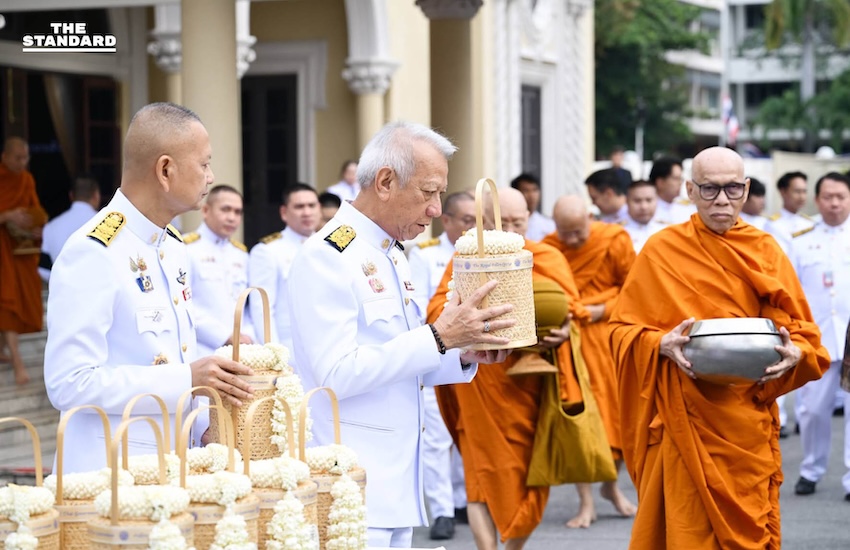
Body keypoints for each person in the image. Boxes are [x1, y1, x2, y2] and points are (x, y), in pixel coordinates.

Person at [288, 121, 512, 548]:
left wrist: (462, 352)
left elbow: (401, 360)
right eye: (428, 192)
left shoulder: (389, 252)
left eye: (440, 194)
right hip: (350, 483)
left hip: (394, 483)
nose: (436, 209)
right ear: (386, 182)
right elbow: (336, 374)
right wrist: (440, 337)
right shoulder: (328, 255)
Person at [608, 146, 829, 549]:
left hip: (745, 419)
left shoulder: (766, 250)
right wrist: (659, 343)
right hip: (683, 416)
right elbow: (620, 330)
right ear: (689, 191)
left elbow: (803, 333)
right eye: (709, 189)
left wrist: (797, 351)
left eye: (732, 188)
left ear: (746, 189)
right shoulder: (662, 249)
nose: (722, 200)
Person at [43, 103, 255, 473]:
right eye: (204, 164)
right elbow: (69, 382)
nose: (211, 177)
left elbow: (173, 353)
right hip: (112, 474)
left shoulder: (172, 244)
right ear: (165, 170)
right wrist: (188, 378)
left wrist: (203, 429)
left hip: (171, 467)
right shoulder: (94, 251)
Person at [428, 187, 587, 550]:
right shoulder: (467, 258)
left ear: (530, 218)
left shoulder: (546, 256)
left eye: (519, 221)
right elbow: (438, 310)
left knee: (534, 474)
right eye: (504, 222)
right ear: (484, 223)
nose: (512, 230)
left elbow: (573, 312)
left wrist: (563, 333)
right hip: (482, 379)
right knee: (480, 477)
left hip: (533, 382)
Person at [543, 196, 637, 528]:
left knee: (619, 418)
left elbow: (634, 289)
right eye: (565, 232)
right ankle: (585, 501)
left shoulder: (614, 240)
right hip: (570, 342)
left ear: (591, 218)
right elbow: (545, 295)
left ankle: (611, 487)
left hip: (609, 339)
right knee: (579, 419)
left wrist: (601, 310)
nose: (572, 240)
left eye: (578, 231)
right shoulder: (548, 249)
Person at [406, 190, 476, 540]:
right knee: (436, 436)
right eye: (467, 220)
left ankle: (463, 499)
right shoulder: (425, 255)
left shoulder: (482, 253)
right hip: (437, 349)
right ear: (446, 220)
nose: (473, 227)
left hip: (472, 355)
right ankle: (442, 510)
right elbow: (418, 306)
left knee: (466, 429)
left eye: (478, 221)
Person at [789, 172, 850, 500]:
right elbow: (791, 292)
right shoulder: (801, 240)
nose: (834, 203)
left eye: (841, 196)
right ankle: (811, 469)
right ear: (817, 200)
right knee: (812, 411)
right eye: (828, 197)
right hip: (819, 339)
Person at [248, 183, 320, 358]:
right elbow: (262, 308)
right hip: (291, 352)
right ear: (284, 212)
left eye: (312, 205)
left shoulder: (329, 247)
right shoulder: (268, 251)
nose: (307, 212)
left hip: (326, 349)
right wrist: (275, 354)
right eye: (299, 207)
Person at [183, 185, 254, 356]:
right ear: (206, 210)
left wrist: (247, 335)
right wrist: (224, 336)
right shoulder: (185, 248)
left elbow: (249, 305)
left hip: (240, 350)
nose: (232, 218)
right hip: (202, 350)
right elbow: (183, 304)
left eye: (238, 212)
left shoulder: (241, 254)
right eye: (225, 210)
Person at [0, 136, 47, 385]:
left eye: (25, 157)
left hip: (18, 250)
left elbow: (35, 211)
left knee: (11, 303)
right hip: (2, 249)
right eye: (18, 158)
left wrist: (35, 227)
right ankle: (18, 362)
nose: (22, 162)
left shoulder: (27, 179)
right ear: (4, 157)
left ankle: (3, 350)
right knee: (7, 303)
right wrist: (7, 215)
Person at [40, 175, 101, 282]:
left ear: (71, 195)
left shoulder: (51, 227)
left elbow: (44, 271)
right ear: (96, 195)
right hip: (100, 287)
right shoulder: (108, 223)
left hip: (64, 288)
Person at [764, 171, 814, 253]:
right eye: (797, 191)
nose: (802, 197)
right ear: (783, 192)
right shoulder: (772, 225)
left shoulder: (809, 223)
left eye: (804, 191)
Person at [621, 179, 667, 253]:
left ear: (657, 200)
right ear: (627, 201)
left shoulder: (667, 229)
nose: (644, 207)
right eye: (637, 201)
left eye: (649, 200)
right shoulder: (618, 232)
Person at [649, 157, 695, 224]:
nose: (680, 183)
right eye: (676, 179)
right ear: (660, 182)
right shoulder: (646, 209)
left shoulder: (687, 207)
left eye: (681, 179)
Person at [511, 173, 554, 241]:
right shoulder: (507, 226)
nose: (531, 195)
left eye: (534, 190)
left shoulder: (549, 225)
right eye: (525, 190)